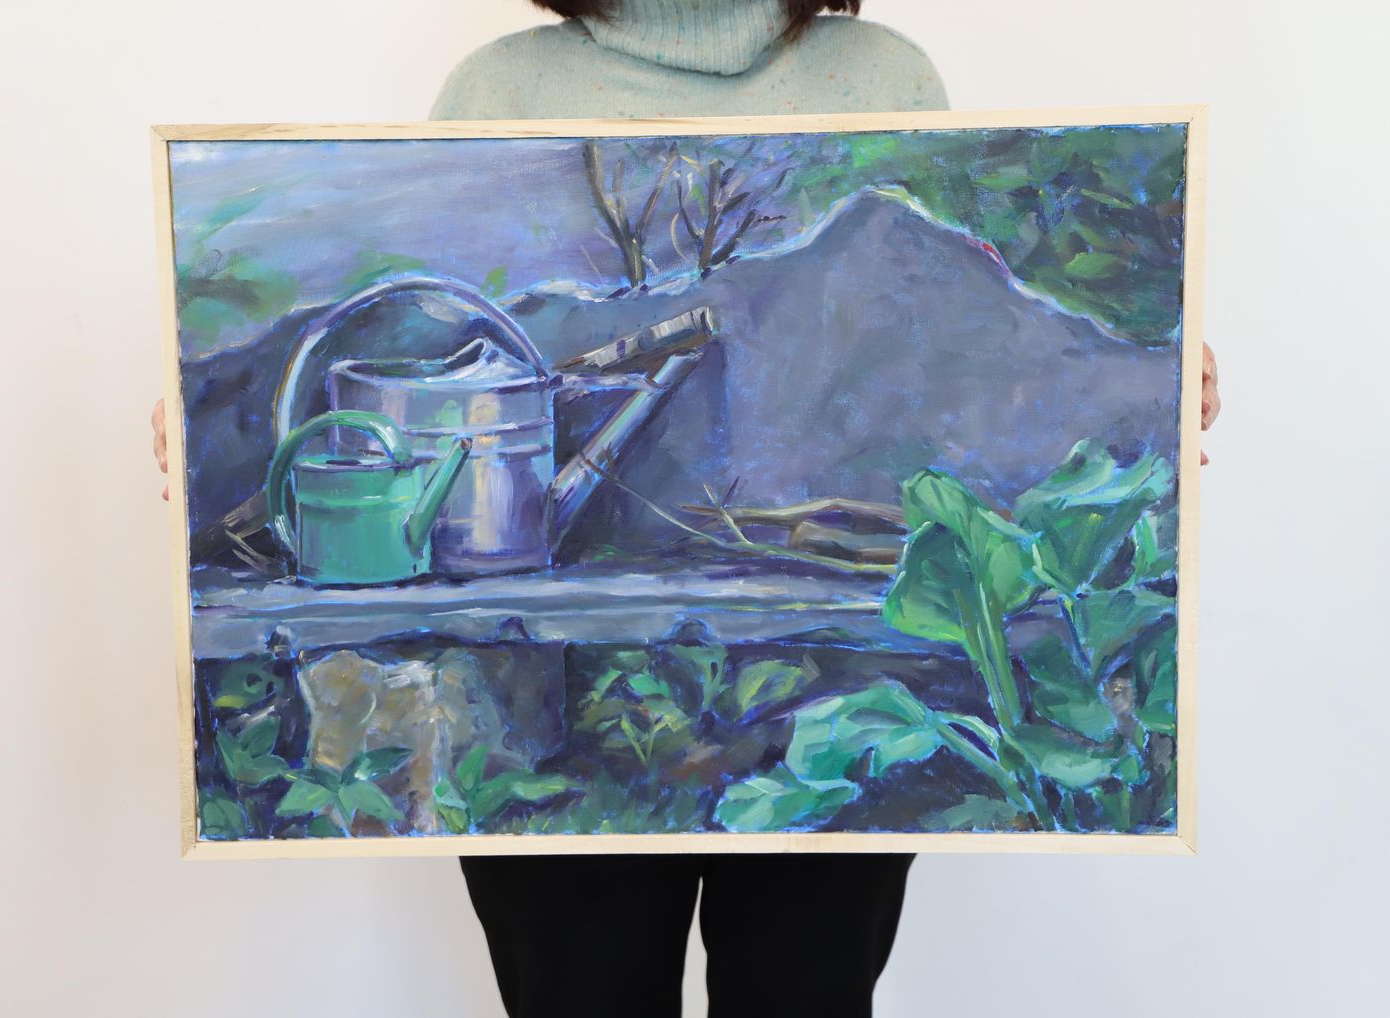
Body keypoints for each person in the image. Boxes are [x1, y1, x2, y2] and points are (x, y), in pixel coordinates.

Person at [151, 2, 1222, 1014]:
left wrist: (1154, 399)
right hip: (553, 692)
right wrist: (203, 438)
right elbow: (407, 339)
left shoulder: (888, 77)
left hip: (831, 697)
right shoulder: (498, 89)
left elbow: (968, 363)